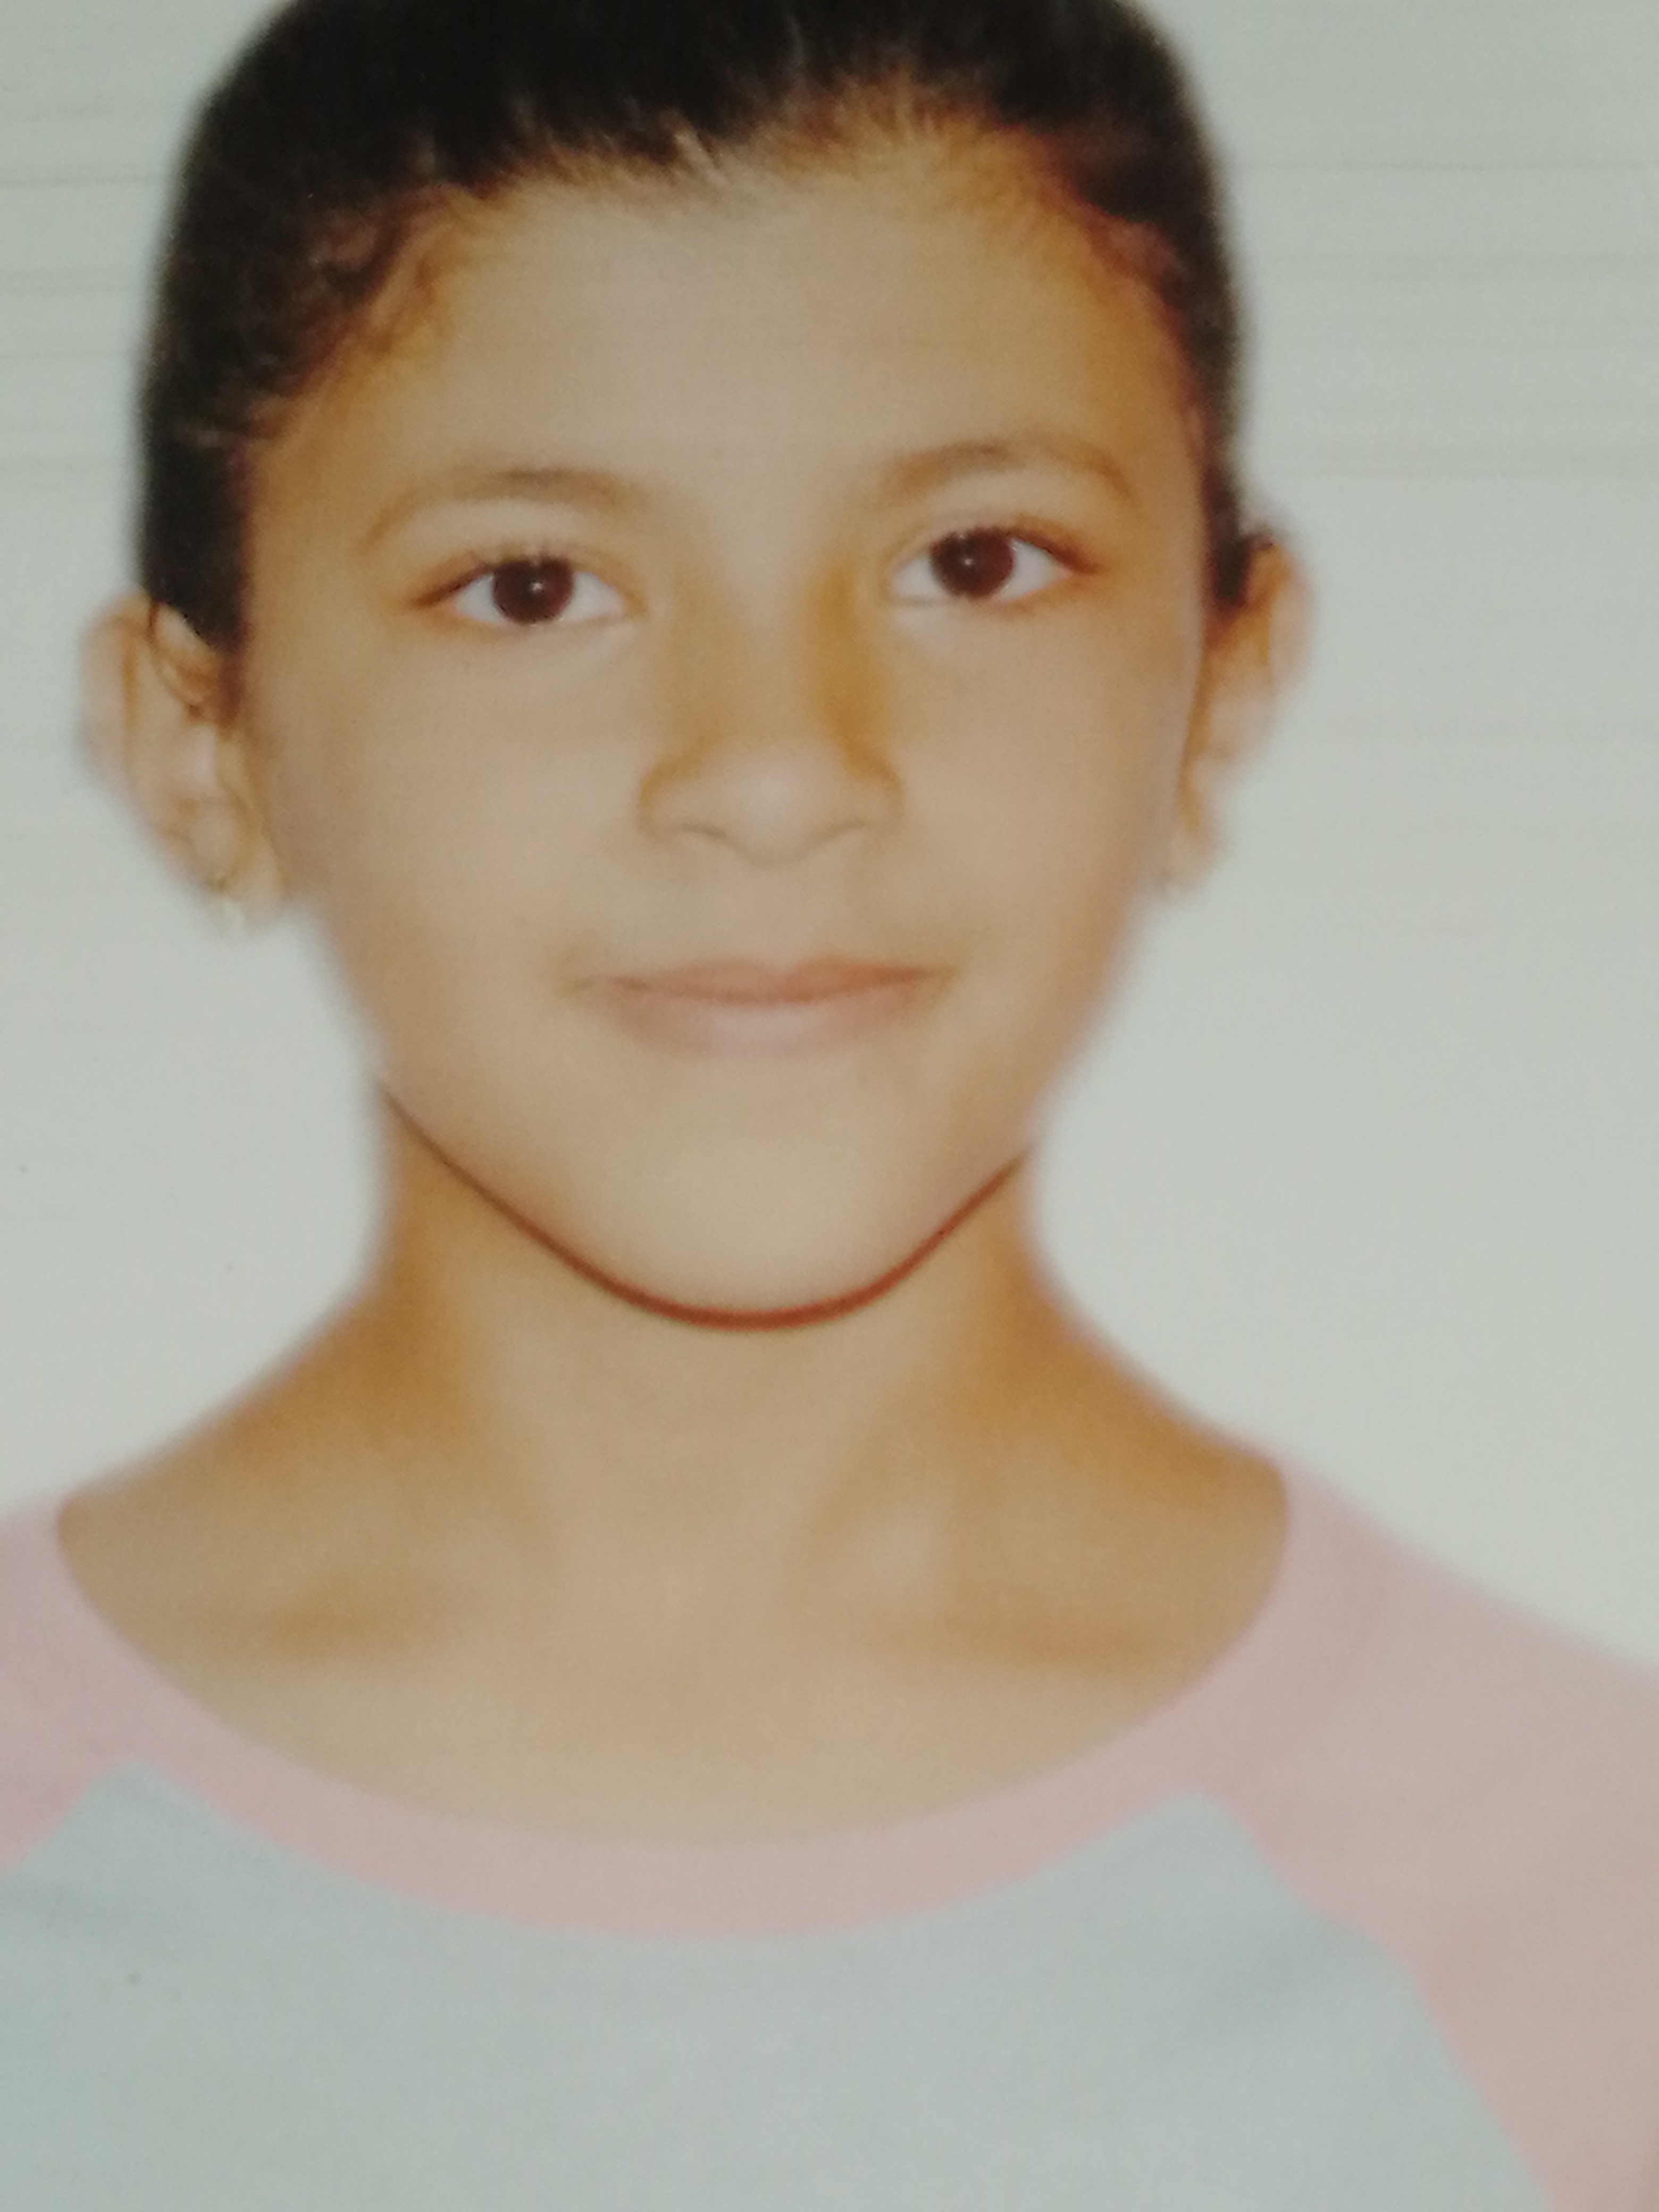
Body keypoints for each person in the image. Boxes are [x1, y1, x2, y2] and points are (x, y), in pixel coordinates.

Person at [0, 0, 1654, 2201]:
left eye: (974, 561)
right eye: (532, 587)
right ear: (202, 743)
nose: (777, 768)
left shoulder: (1587, 1910)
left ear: (1222, 685)